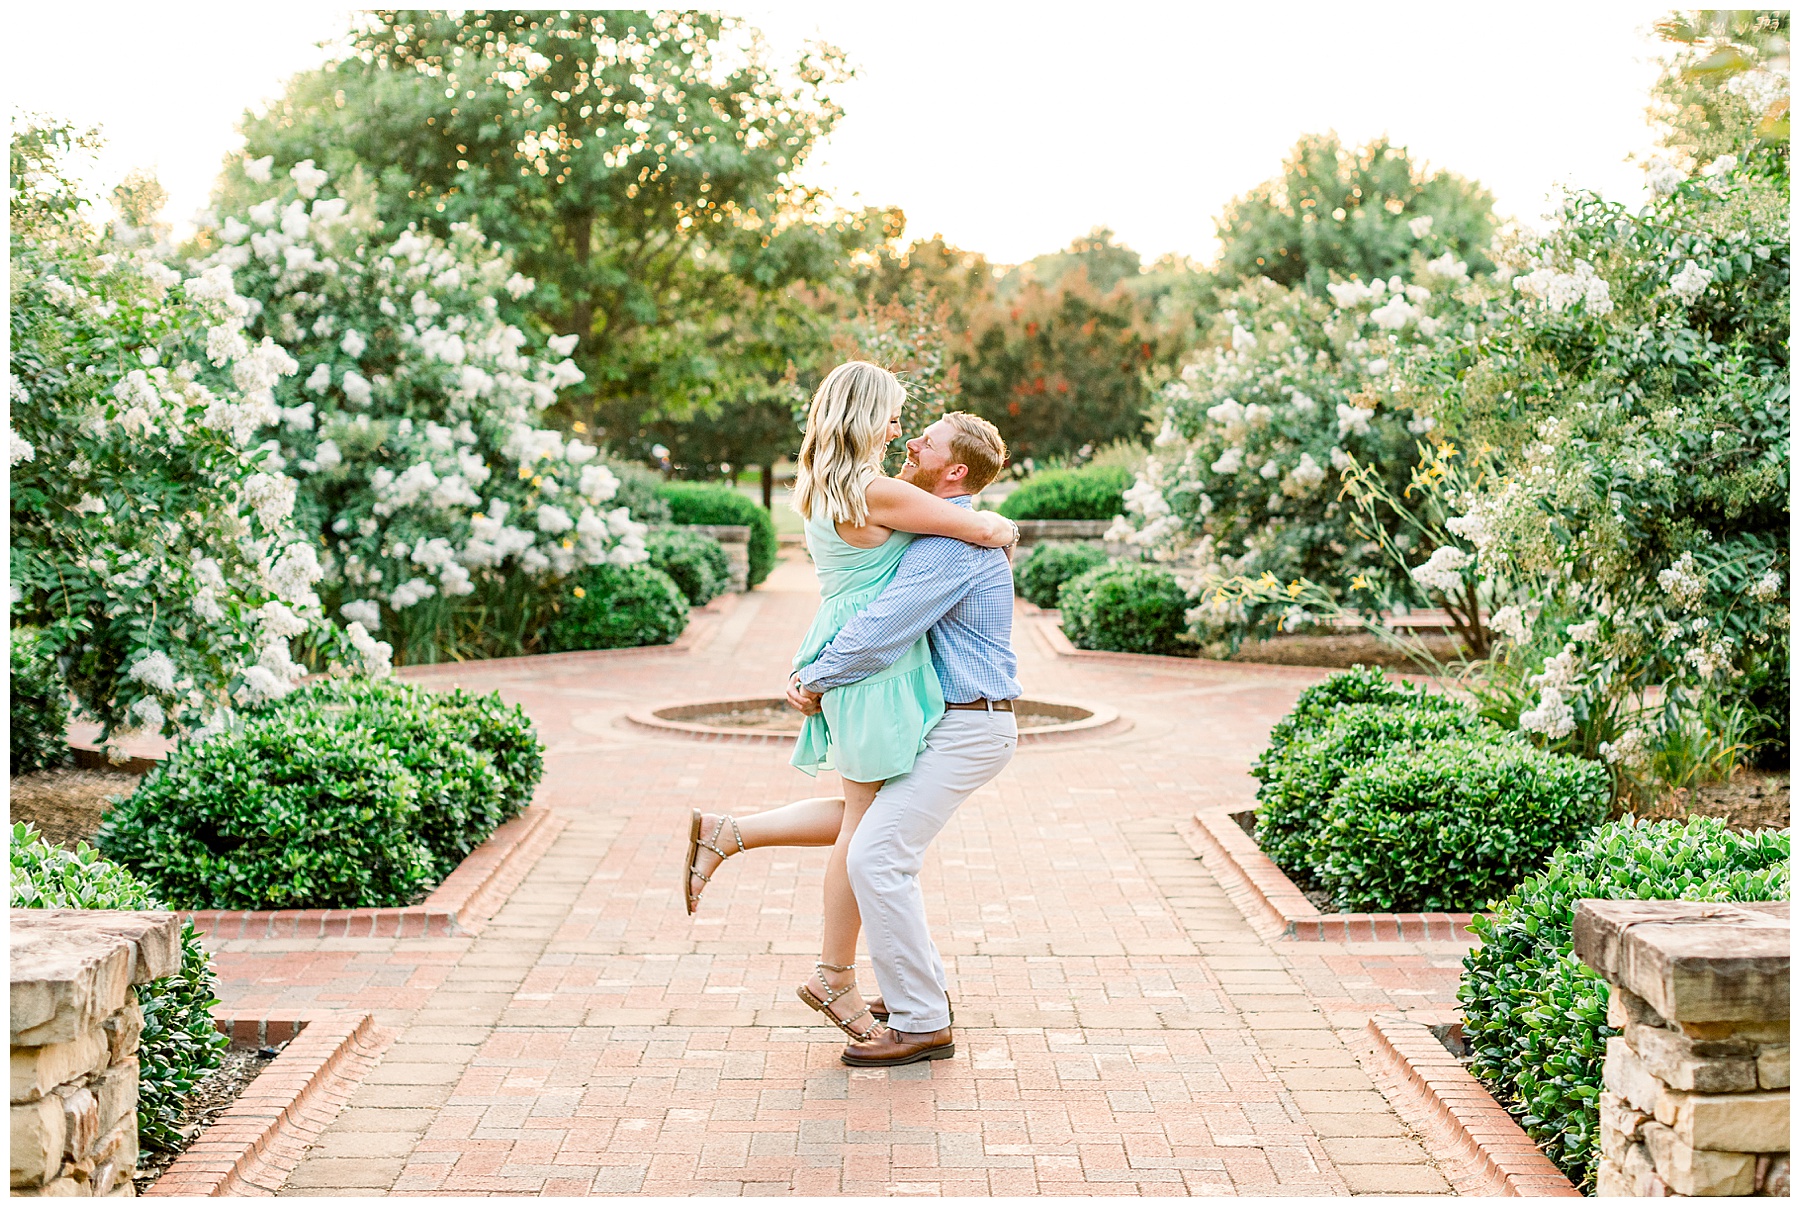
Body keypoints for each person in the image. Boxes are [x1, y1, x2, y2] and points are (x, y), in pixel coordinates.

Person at [679, 361, 1017, 1051]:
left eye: (919, 434)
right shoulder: (886, 495)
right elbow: (974, 536)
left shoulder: (834, 485)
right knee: (871, 839)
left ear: (954, 469)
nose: (903, 435)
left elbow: (956, 546)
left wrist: (817, 670)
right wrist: (1001, 526)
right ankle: (844, 975)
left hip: (880, 670)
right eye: (894, 419)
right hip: (878, 672)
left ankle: (736, 839)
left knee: (871, 834)